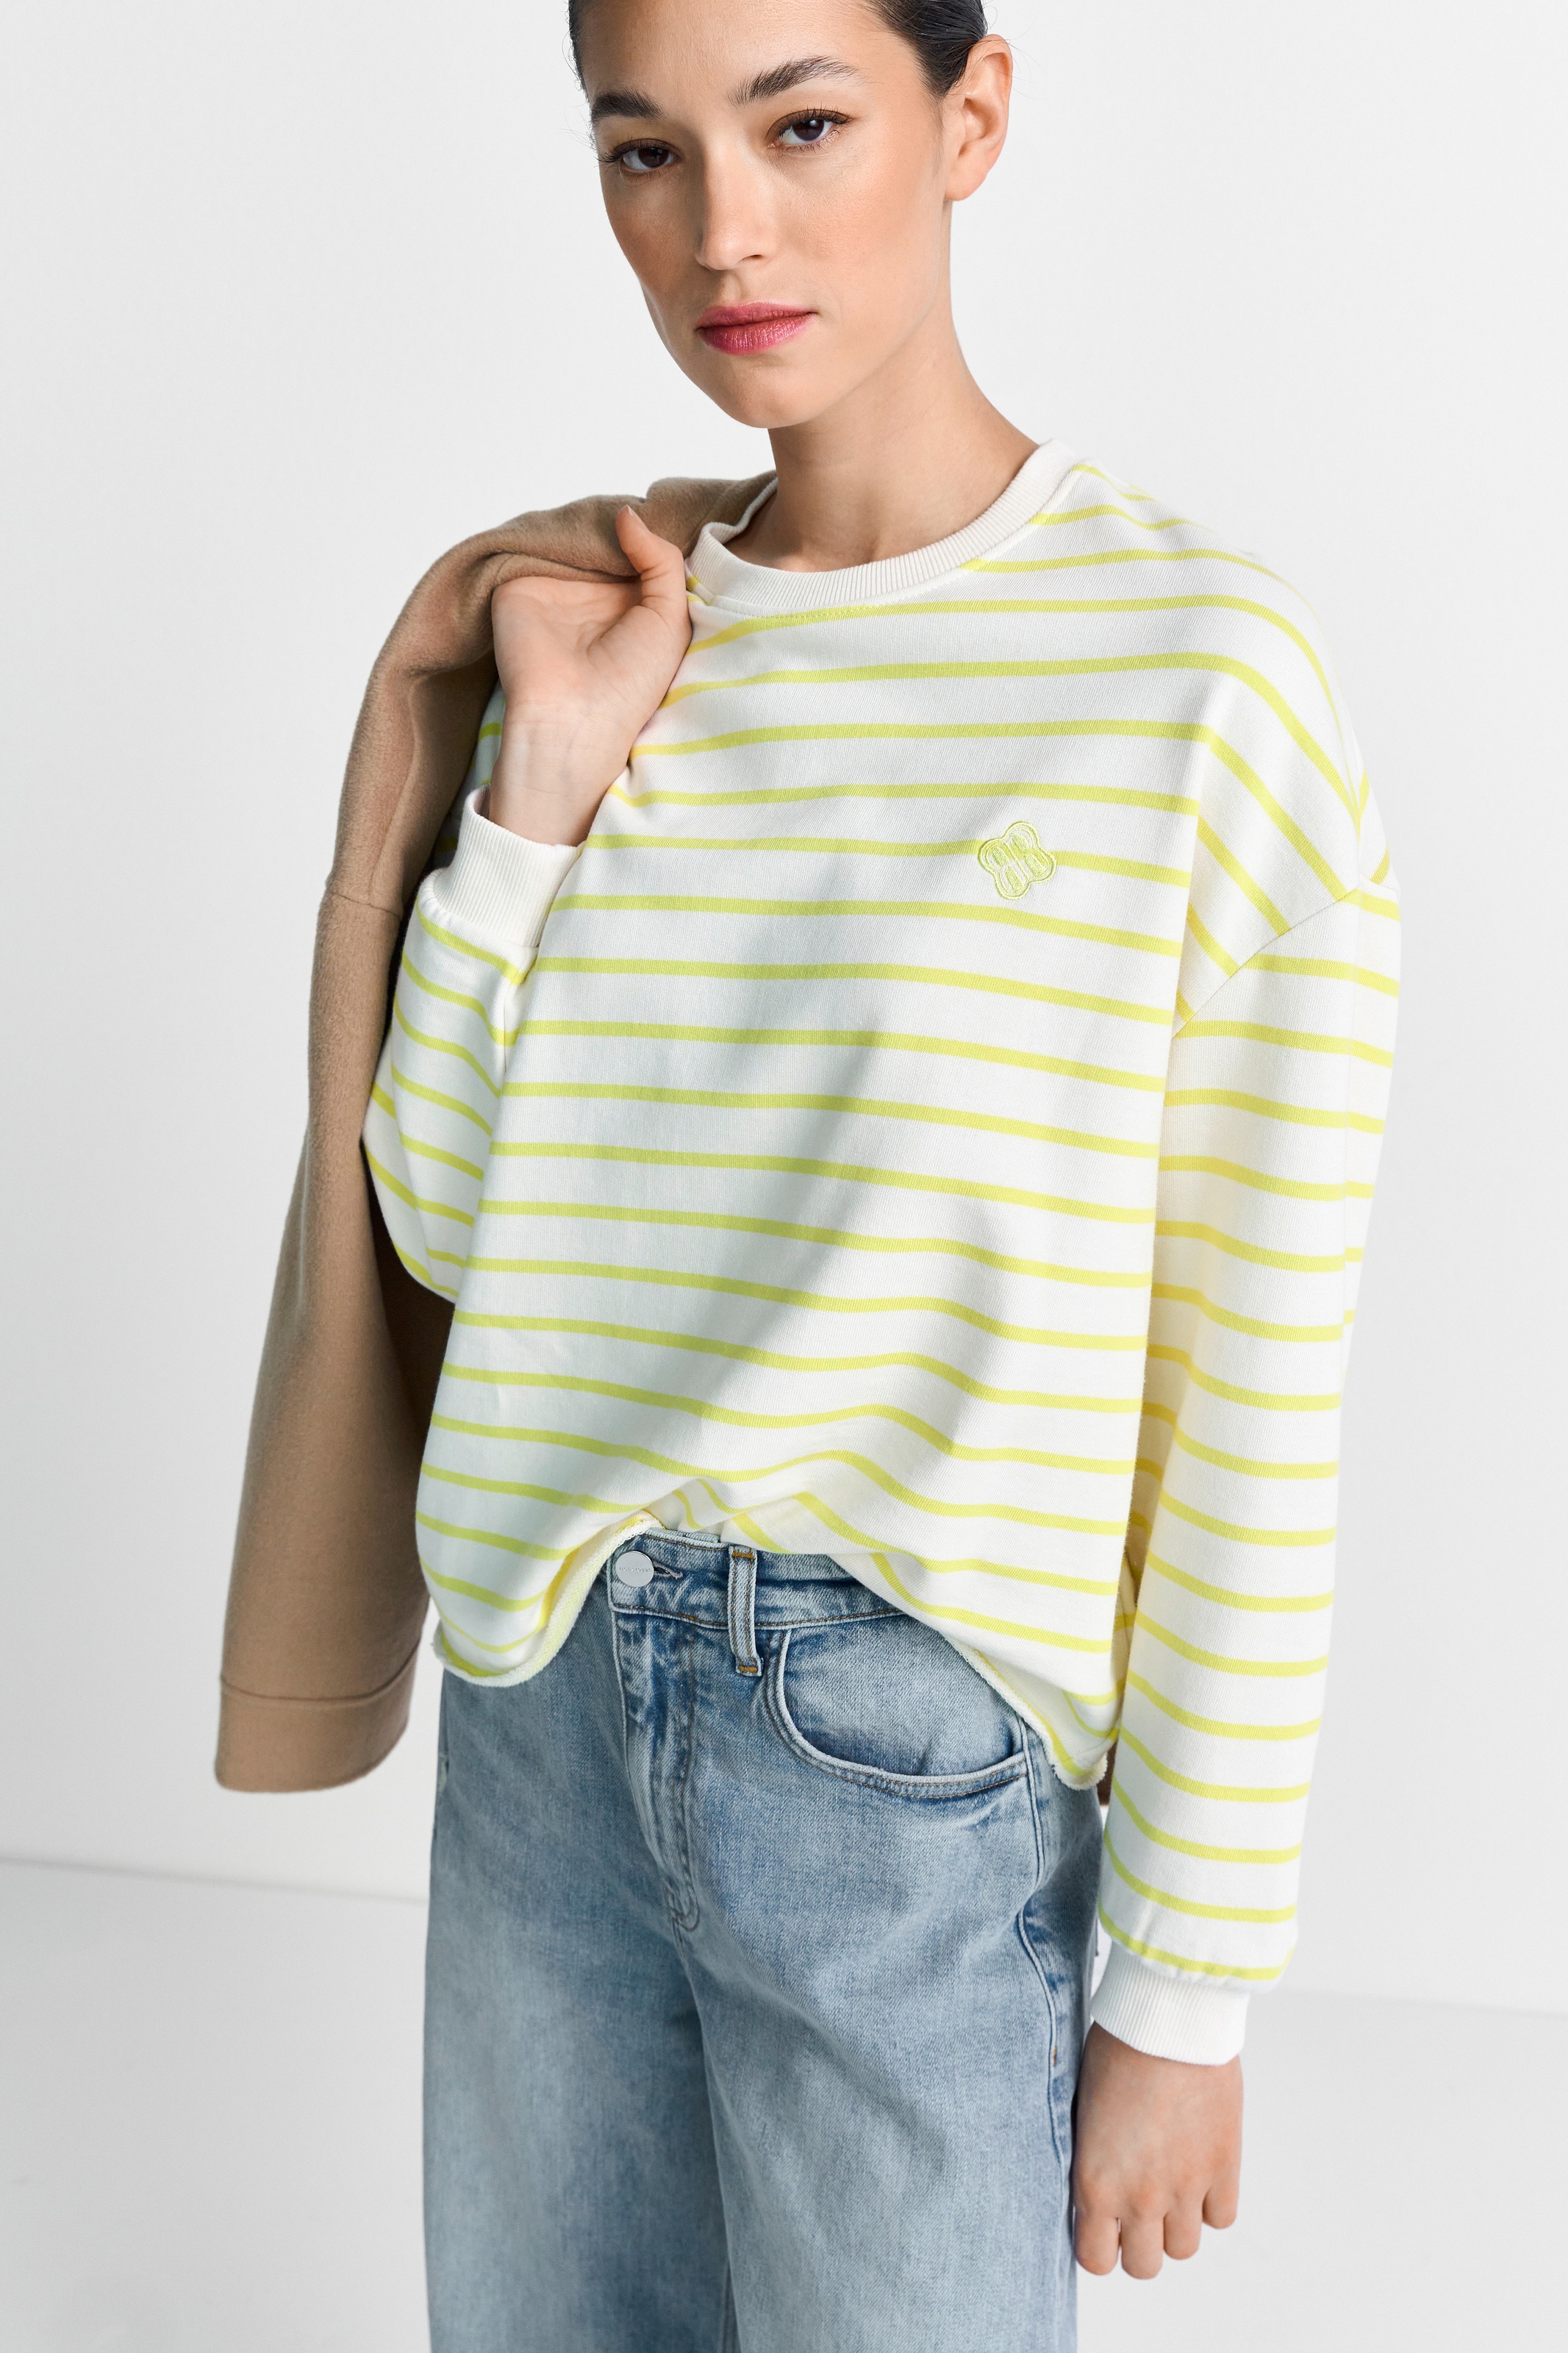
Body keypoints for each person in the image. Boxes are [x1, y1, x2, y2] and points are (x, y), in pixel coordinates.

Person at [257, 1, 1399, 2345]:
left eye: (803, 124)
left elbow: (1254, 1388)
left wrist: (1183, 1988)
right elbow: (454, 1240)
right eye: (646, 150)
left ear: (971, 116)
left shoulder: (1200, 679)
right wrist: (534, 799)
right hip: (545, 1712)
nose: (724, 231)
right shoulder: (599, 631)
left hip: (907, 1771)